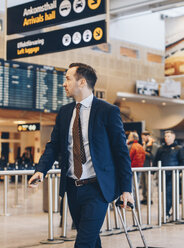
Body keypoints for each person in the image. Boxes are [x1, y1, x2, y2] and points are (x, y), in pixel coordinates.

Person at [28, 63, 134, 248]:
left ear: (82, 82)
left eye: (68, 78)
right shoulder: (65, 112)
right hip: (73, 188)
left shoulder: (107, 111)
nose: (64, 83)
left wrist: (126, 189)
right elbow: (54, 146)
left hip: (97, 189)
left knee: (83, 243)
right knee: (91, 239)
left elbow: (121, 152)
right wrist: (41, 170)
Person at [153, 130, 184, 219]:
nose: (166, 138)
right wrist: (153, 172)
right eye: (165, 136)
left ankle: (167, 212)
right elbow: (156, 160)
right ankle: (169, 211)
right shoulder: (161, 149)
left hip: (173, 175)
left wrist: (179, 172)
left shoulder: (178, 148)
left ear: (173, 137)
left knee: (170, 193)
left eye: (169, 136)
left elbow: (183, 161)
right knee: (165, 194)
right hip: (163, 175)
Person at [140, 131, 157, 204]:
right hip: (143, 166)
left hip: (149, 167)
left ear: (148, 136)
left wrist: (143, 151)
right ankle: (145, 197)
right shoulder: (144, 144)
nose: (143, 139)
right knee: (143, 184)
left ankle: (149, 199)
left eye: (144, 137)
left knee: (149, 184)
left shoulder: (154, 145)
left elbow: (153, 156)